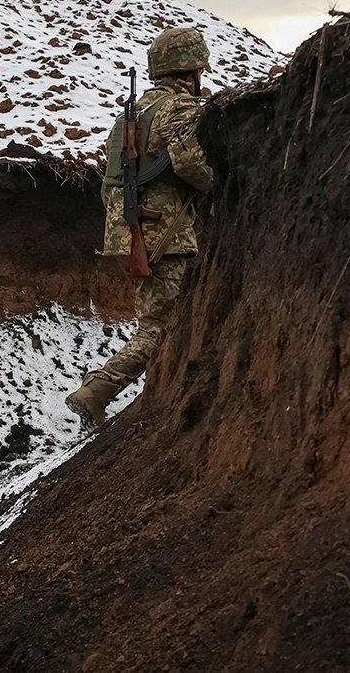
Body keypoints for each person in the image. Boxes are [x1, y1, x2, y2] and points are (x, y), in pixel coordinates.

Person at [65, 27, 214, 429]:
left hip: (130, 230)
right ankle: (96, 391)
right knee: (159, 324)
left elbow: (110, 181)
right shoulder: (178, 108)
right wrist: (218, 184)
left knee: (160, 316)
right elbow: (189, 163)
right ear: (193, 69)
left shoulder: (132, 115)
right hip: (161, 232)